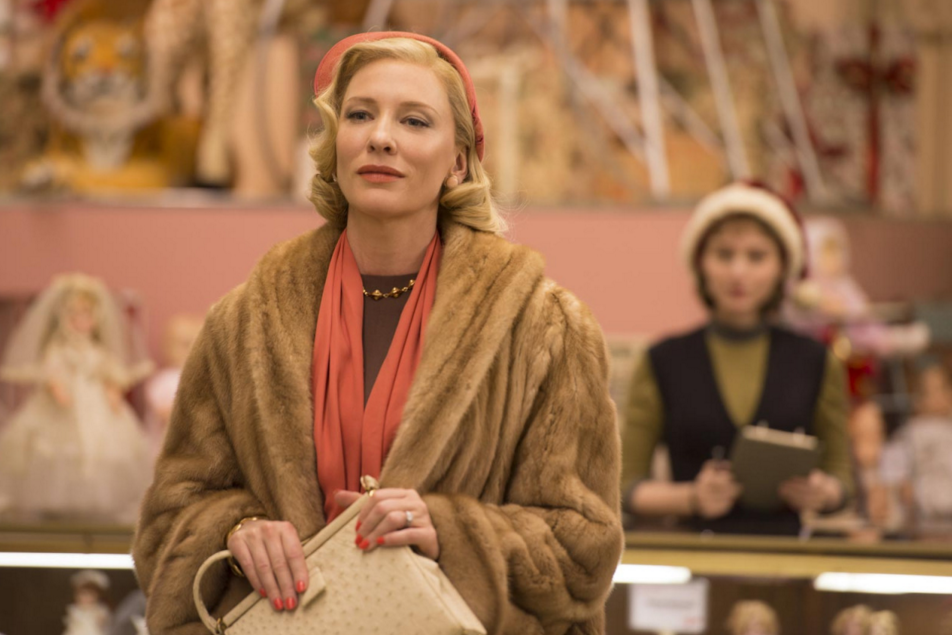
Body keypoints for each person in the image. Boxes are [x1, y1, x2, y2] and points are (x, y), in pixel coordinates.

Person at [133, 32, 623, 634]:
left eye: (414, 121)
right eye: (360, 115)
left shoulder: (543, 327)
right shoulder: (243, 324)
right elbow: (166, 527)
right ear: (334, 143)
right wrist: (237, 530)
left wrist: (449, 531)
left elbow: (583, 548)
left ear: (458, 163)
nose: (381, 137)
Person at [621, 182, 854, 535]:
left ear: (782, 267)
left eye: (756, 256)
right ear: (701, 263)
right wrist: (690, 498)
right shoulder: (661, 360)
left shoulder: (816, 361)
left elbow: (843, 479)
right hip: (691, 558)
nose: (738, 272)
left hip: (787, 558)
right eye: (724, 254)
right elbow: (624, 486)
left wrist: (823, 492)